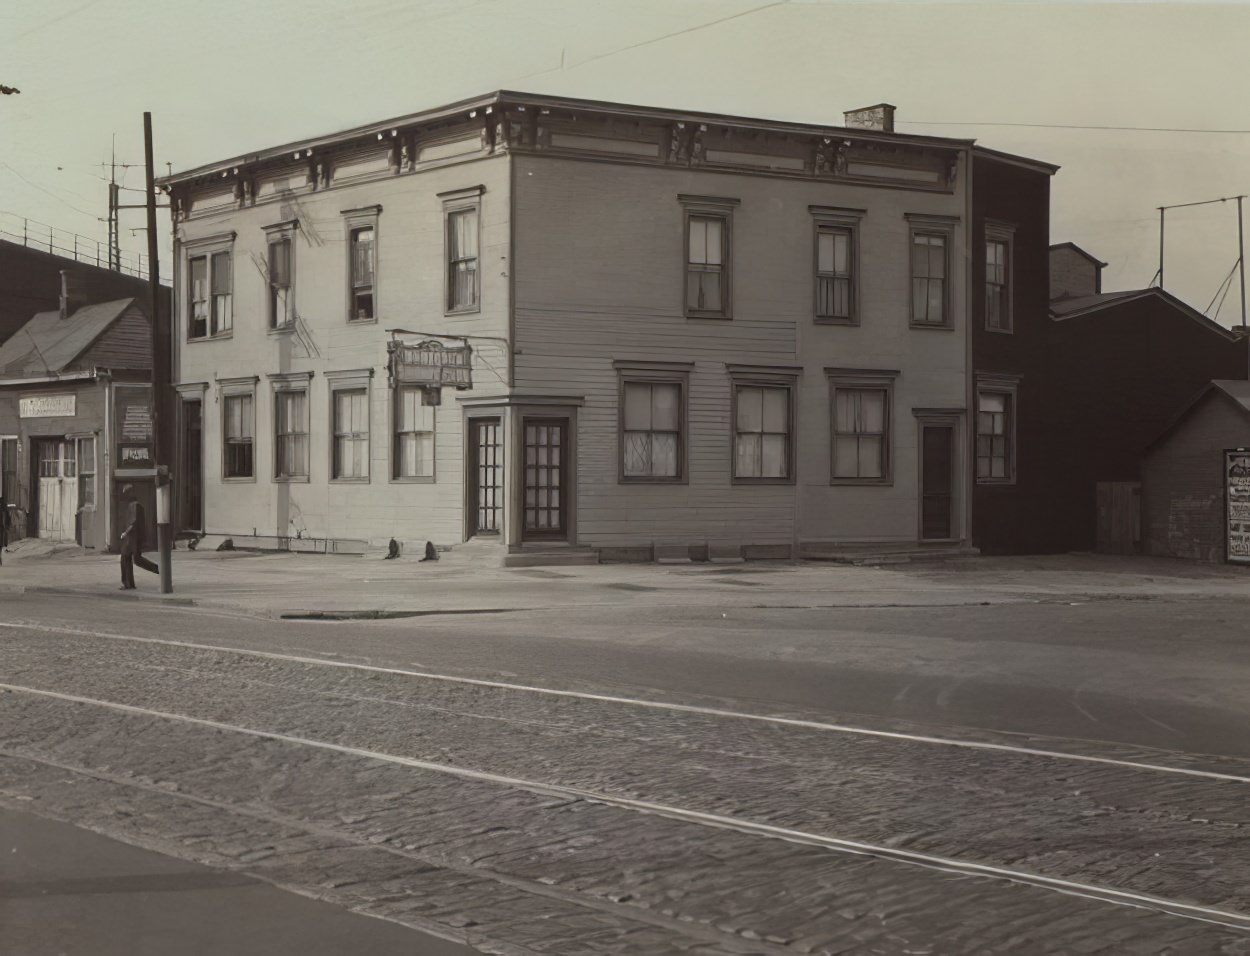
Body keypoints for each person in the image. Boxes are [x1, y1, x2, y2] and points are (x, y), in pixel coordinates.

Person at [119, 484, 159, 589]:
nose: (125, 496)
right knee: (130, 559)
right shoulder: (134, 505)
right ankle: (129, 583)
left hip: (133, 538)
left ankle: (159, 570)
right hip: (133, 538)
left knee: (132, 559)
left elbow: (134, 522)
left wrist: (125, 533)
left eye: (126, 493)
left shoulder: (135, 506)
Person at [0, 494, 10, 567]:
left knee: (0, 544)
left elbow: (8, 518)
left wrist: (7, 526)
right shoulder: (4, 508)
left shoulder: (4, 508)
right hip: (2, 528)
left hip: (2, 528)